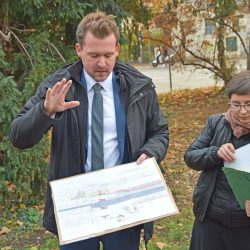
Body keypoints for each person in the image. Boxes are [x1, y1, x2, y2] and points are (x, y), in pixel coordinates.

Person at [10, 11, 168, 250]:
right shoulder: (59, 86)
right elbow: (19, 137)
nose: (102, 63)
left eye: (107, 54)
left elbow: (160, 132)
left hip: (124, 204)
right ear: (79, 49)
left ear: (117, 48)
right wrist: (45, 111)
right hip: (76, 206)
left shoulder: (139, 87)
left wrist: (149, 151)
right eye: (93, 55)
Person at [184, 70, 250, 250]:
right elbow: (190, 157)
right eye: (236, 104)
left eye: (248, 104)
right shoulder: (216, 123)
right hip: (211, 220)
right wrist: (215, 153)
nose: (243, 111)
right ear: (229, 102)